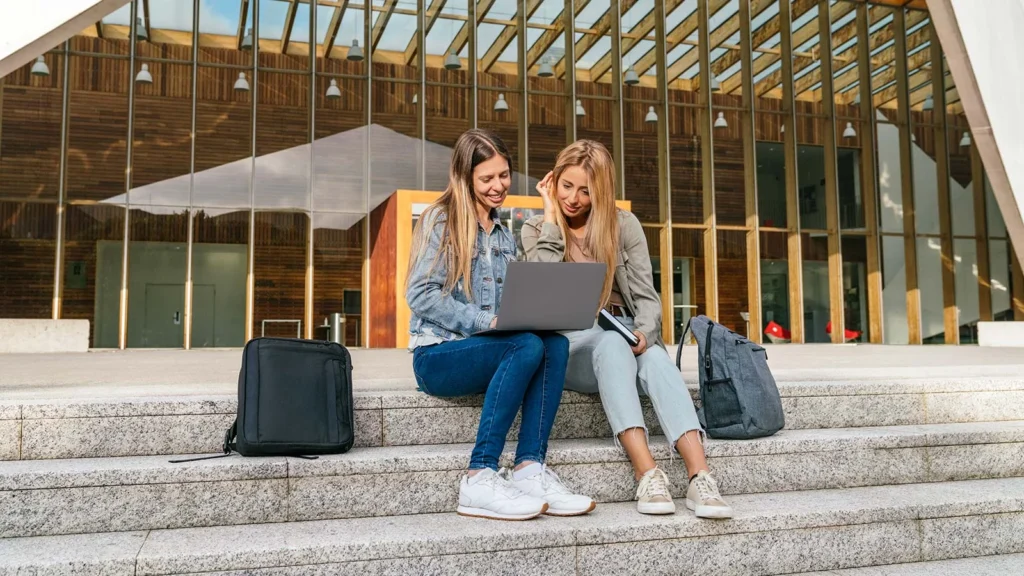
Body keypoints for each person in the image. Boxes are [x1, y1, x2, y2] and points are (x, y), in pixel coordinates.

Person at [521, 139, 733, 519]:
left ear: (601, 190)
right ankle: (647, 473)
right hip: (572, 346)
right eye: (566, 186)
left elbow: (647, 296)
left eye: (585, 190)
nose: (573, 198)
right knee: (610, 344)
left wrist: (646, 333)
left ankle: (700, 477)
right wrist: (551, 214)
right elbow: (542, 293)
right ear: (553, 183)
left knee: (653, 359)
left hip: (623, 332)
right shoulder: (536, 228)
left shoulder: (623, 225)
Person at [406, 129, 595, 521]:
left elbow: (513, 304)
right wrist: (485, 321)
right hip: (437, 355)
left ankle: (529, 469)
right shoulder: (440, 220)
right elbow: (421, 292)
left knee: (554, 343)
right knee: (524, 346)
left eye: (504, 175)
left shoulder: (504, 235)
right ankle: (479, 475)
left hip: (490, 349)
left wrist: (534, 314)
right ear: (465, 177)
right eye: (487, 178)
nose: (498, 187)